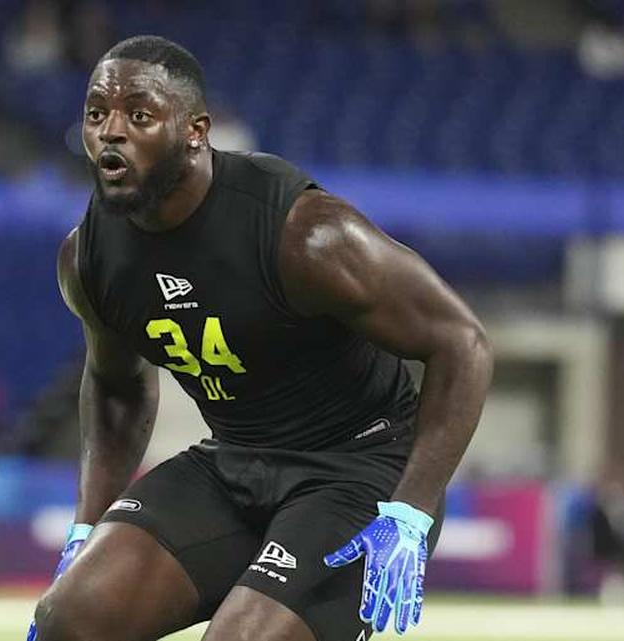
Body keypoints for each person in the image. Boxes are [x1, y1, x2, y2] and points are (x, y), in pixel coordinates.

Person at [29, 35, 493, 641]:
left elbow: (462, 342)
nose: (111, 131)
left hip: (358, 473)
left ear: (195, 131)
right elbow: (116, 387)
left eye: (139, 115)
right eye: (97, 114)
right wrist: (87, 528)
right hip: (233, 461)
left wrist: (411, 510)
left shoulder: (304, 233)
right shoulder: (90, 257)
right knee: (69, 619)